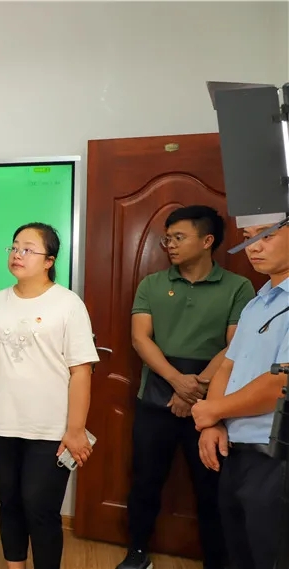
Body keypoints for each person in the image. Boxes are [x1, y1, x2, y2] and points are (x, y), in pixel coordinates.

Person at [116, 206, 255, 569]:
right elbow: (141, 339)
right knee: (145, 481)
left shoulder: (238, 287)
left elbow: (235, 345)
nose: (171, 245)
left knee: (211, 487)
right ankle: (137, 552)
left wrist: (197, 387)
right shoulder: (152, 284)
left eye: (179, 237)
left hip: (211, 400)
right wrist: (178, 382)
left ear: (207, 241)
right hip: (157, 395)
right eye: (167, 239)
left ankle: (216, 560)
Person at [0, 222, 99, 569]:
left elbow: (81, 371)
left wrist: (75, 430)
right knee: (9, 503)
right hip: (3, 424)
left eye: (27, 249)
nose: (17, 254)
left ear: (49, 260)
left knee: (40, 509)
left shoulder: (68, 304)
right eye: (13, 247)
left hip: (50, 430)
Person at [192, 217, 289, 569]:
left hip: (276, 456)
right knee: (238, 553)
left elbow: (281, 383)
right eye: (248, 237)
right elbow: (228, 366)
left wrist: (213, 411)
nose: (254, 247)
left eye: (267, 235)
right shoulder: (256, 303)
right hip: (235, 450)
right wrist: (213, 423)